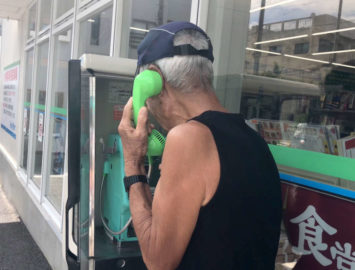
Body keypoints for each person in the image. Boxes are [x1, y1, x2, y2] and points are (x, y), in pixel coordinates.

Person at [118, 21, 282, 270]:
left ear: (153, 80)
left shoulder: (188, 139)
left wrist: (132, 162)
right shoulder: (253, 136)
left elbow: (157, 261)